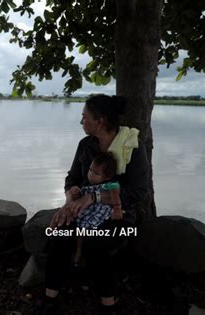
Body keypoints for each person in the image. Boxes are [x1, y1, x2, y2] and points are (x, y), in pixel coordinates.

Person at [38, 94, 151, 315]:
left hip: (121, 216)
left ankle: (108, 304)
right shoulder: (85, 145)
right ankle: (50, 299)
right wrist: (69, 204)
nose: (81, 122)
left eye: (84, 117)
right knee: (60, 234)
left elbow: (139, 193)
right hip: (83, 211)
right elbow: (72, 180)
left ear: (99, 121)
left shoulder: (133, 147)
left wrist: (96, 197)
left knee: (95, 242)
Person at [69, 152, 123, 266]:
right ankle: (78, 253)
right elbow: (81, 197)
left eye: (96, 173)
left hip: (99, 211)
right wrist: (75, 193)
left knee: (85, 231)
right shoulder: (87, 185)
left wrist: (117, 208)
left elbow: (115, 195)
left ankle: (79, 254)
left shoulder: (110, 184)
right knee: (79, 229)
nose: (90, 175)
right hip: (88, 211)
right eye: (90, 170)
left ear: (107, 176)